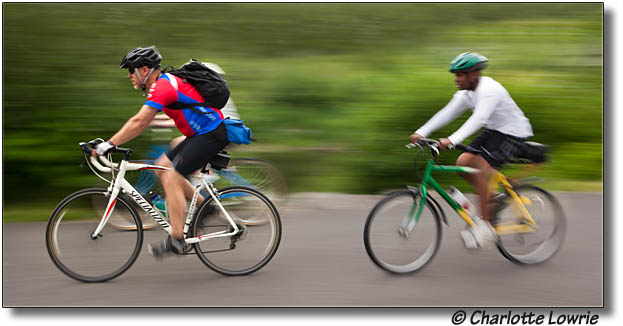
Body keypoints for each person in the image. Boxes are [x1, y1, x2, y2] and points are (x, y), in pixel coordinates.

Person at [93, 45, 229, 259]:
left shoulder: (164, 85)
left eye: (131, 70)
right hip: (201, 134)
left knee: (172, 179)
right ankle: (206, 208)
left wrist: (108, 144)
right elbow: (142, 121)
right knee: (161, 166)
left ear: (144, 69)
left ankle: (177, 240)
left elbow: (140, 122)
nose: (129, 76)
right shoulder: (164, 83)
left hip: (210, 134)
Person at [409, 52, 533, 249]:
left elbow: (480, 119)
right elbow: (447, 113)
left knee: (479, 169)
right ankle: (492, 197)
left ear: (474, 74)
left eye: (460, 74)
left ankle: (485, 227)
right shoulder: (466, 92)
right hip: (494, 131)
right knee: (462, 164)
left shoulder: (489, 89)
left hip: (513, 133)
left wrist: (452, 139)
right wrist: (421, 132)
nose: (456, 79)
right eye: (455, 75)